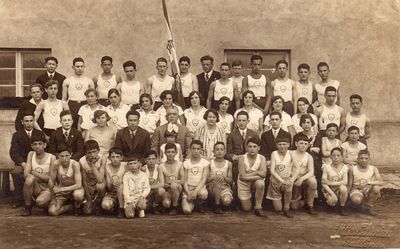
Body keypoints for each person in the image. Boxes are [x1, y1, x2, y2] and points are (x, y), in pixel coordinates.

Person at [10, 112, 45, 208]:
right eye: (26, 121)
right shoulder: (17, 135)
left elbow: (45, 150)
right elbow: (13, 152)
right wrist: (23, 163)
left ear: (34, 121)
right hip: (23, 163)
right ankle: (19, 199)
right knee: (16, 172)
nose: (29, 123)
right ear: (22, 122)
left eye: (31, 121)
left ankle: (38, 196)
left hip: (38, 161)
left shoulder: (39, 133)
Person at [21, 133, 56, 216]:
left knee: (40, 202)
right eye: (35, 144)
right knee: (29, 179)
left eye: (40, 144)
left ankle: (50, 204)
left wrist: (33, 172)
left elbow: (51, 179)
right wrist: (37, 177)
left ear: (45, 145)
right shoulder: (31, 154)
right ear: (32, 146)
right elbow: (26, 174)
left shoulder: (51, 157)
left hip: (47, 188)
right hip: (36, 187)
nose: (37, 146)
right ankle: (28, 208)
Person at [226, 110, 259, 195]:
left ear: (248, 121)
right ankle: (237, 198)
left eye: (244, 120)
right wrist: (233, 157)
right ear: (236, 121)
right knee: (236, 169)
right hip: (237, 161)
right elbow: (228, 153)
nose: (241, 123)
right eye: (239, 120)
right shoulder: (232, 135)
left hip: (251, 160)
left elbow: (258, 150)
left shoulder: (254, 134)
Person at [48, 146, 85, 216]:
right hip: (63, 191)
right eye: (61, 156)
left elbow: (78, 185)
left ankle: (77, 205)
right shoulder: (56, 164)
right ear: (58, 155)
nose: (64, 158)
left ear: (71, 155)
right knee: (52, 211)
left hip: (75, 189)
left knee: (78, 195)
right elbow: (51, 181)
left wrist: (61, 189)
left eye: (66, 156)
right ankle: (70, 207)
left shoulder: (75, 164)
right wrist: (53, 198)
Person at [267, 137, 299, 218]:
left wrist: (291, 180)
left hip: (287, 179)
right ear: (276, 145)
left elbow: (297, 168)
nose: (282, 146)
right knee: (278, 209)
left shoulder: (291, 153)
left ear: (288, 145)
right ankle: (277, 201)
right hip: (276, 180)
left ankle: (287, 207)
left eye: (284, 144)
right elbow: (272, 171)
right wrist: (282, 181)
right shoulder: (274, 153)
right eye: (279, 144)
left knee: (289, 187)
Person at [237, 137, 267, 217]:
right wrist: (257, 173)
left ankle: (258, 207)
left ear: (258, 148)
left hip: (254, 182)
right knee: (247, 208)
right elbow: (242, 177)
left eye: (254, 146)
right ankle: (246, 200)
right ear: (246, 148)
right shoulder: (242, 158)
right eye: (250, 146)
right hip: (243, 183)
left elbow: (264, 174)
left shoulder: (261, 158)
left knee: (260, 184)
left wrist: (251, 174)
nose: (252, 149)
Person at [62, 57, 95, 128]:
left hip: (85, 104)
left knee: (85, 125)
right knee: (72, 126)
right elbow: (64, 99)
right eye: (77, 66)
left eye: (81, 66)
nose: (80, 68)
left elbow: (93, 97)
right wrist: (67, 109)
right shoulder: (67, 81)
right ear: (73, 67)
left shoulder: (89, 81)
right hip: (72, 105)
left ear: (84, 67)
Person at [348, 150, 383, 216]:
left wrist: (368, 182)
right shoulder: (353, 169)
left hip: (368, 190)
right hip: (357, 190)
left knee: (376, 188)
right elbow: (350, 184)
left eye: (366, 158)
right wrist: (346, 200)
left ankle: (369, 207)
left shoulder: (373, 168)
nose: (364, 160)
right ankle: (358, 206)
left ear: (369, 159)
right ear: (358, 159)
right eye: (361, 158)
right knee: (356, 200)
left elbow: (381, 182)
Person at [290, 134, 317, 215]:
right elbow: (287, 168)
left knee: (313, 181)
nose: (303, 146)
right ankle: (303, 200)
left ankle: (310, 205)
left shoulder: (309, 156)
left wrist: (301, 178)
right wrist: (295, 177)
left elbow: (311, 171)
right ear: (296, 144)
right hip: (293, 178)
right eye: (301, 143)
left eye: (306, 144)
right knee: (294, 207)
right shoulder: (291, 153)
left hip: (304, 178)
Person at [182, 140, 209, 215]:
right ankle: (192, 203)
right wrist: (188, 193)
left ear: (201, 150)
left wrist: (195, 191)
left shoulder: (205, 163)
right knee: (186, 211)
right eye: (194, 148)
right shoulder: (186, 163)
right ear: (190, 149)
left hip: (199, 188)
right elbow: (184, 180)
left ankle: (199, 203)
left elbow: (204, 179)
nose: (196, 151)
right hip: (188, 189)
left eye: (198, 149)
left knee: (203, 193)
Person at [80, 140, 106, 215]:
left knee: (100, 186)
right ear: (85, 153)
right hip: (89, 185)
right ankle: (87, 203)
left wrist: (92, 165)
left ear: (98, 151)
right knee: (87, 212)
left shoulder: (102, 158)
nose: (92, 155)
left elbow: (100, 179)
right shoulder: (82, 161)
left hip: (99, 184)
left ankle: (98, 204)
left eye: (94, 151)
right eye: (89, 152)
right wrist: (89, 200)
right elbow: (84, 181)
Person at [321, 147, 349, 216]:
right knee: (333, 201)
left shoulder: (344, 167)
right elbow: (323, 182)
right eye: (333, 155)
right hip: (329, 190)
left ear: (342, 157)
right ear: (330, 156)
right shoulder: (326, 167)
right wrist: (332, 194)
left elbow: (345, 182)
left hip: (338, 190)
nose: (336, 157)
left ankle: (342, 207)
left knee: (343, 188)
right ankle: (330, 206)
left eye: (338, 155)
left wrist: (331, 183)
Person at [207, 142, 233, 214]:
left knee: (227, 201)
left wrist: (223, 177)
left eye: (221, 149)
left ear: (225, 151)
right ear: (213, 151)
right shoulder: (209, 163)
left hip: (224, 187)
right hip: (212, 188)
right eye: (217, 149)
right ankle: (217, 205)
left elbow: (230, 181)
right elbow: (206, 180)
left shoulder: (229, 164)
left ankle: (219, 201)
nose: (219, 151)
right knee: (217, 185)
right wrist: (214, 177)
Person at [158, 143, 184, 215]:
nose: (170, 154)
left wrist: (172, 182)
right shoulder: (161, 166)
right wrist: (166, 184)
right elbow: (162, 183)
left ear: (176, 153)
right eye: (168, 152)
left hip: (178, 188)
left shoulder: (180, 164)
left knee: (174, 185)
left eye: (172, 152)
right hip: (168, 190)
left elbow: (182, 181)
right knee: (166, 204)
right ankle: (166, 202)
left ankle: (175, 206)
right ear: (165, 153)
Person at [101, 147, 127, 218]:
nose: (115, 159)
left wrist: (121, 181)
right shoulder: (107, 167)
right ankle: (115, 207)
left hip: (124, 193)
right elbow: (109, 187)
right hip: (112, 193)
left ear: (121, 158)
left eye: (117, 157)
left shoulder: (125, 165)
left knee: (121, 185)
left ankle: (121, 208)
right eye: (113, 157)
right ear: (109, 158)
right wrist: (113, 184)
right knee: (106, 205)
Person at [142, 150, 164, 214]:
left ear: (156, 159)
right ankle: (149, 205)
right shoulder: (143, 169)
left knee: (161, 191)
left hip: (154, 190)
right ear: (145, 160)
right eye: (149, 159)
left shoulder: (158, 168)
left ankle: (155, 205)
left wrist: (150, 187)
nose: (151, 161)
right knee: (145, 208)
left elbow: (162, 183)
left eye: (153, 159)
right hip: (146, 191)